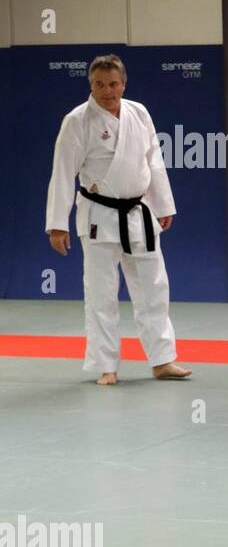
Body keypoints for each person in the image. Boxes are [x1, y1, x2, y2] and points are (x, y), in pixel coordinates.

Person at [45, 54, 191, 386]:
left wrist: (162, 203)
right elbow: (63, 172)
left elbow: (153, 160)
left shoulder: (138, 112)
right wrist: (57, 224)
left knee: (154, 289)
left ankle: (162, 360)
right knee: (101, 293)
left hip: (139, 214)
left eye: (113, 84)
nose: (107, 91)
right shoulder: (77, 120)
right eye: (99, 84)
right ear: (90, 85)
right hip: (99, 216)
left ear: (123, 84)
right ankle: (106, 365)